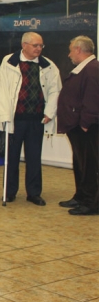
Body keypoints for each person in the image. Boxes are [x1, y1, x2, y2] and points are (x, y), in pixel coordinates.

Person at [0, 32, 62, 206]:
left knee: (34, 157)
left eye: (41, 46)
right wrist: (4, 116)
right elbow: (1, 90)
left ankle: (34, 193)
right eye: (35, 45)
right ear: (24, 45)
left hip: (36, 119)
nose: (39, 49)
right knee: (12, 157)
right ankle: (9, 192)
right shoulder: (9, 62)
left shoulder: (48, 66)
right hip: (15, 118)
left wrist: (50, 112)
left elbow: (55, 90)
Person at [57, 35, 99, 216]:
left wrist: (85, 123)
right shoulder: (84, 68)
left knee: (89, 165)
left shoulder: (92, 69)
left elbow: (93, 98)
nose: (69, 55)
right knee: (80, 162)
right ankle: (81, 196)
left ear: (79, 50)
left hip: (87, 128)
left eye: (71, 50)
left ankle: (91, 203)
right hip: (78, 127)